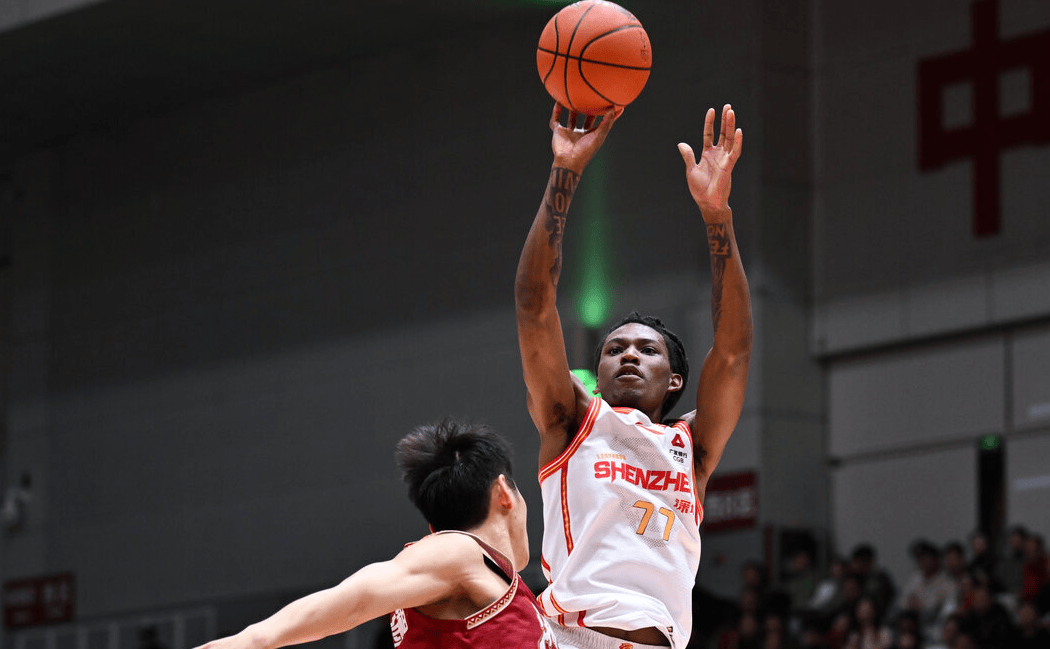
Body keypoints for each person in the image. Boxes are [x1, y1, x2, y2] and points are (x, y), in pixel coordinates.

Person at [515, 101, 752, 649]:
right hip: (572, 638)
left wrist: (717, 215)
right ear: (596, 374)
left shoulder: (692, 447)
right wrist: (565, 171)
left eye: (647, 350)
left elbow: (733, 353)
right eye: (615, 349)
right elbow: (533, 305)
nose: (628, 355)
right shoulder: (572, 419)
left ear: (675, 381)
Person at [194, 418, 557, 649]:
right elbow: (357, 599)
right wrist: (250, 641)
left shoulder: (505, 590)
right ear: (504, 492)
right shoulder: (457, 553)